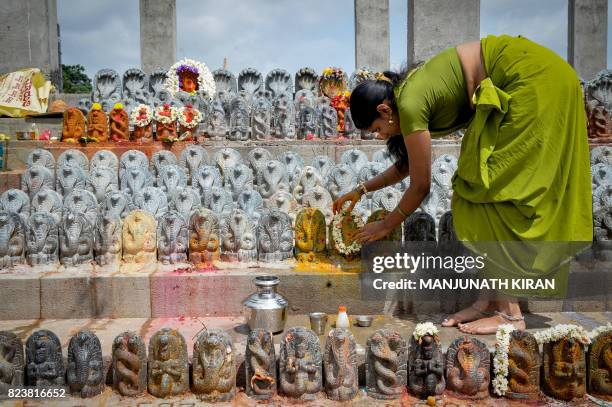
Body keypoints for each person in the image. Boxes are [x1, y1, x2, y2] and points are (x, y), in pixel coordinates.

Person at [332, 34, 593, 334]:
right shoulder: (406, 97)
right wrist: (361, 190)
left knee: (485, 193)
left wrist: (387, 225)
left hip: (533, 81)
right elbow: (406, 166)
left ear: (384, 110)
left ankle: (510, 314)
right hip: (536, 74)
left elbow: (421, 185)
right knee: (474, 195)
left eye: (377, 130)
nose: (380, 137)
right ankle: (489, 302)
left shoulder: (411, 102)